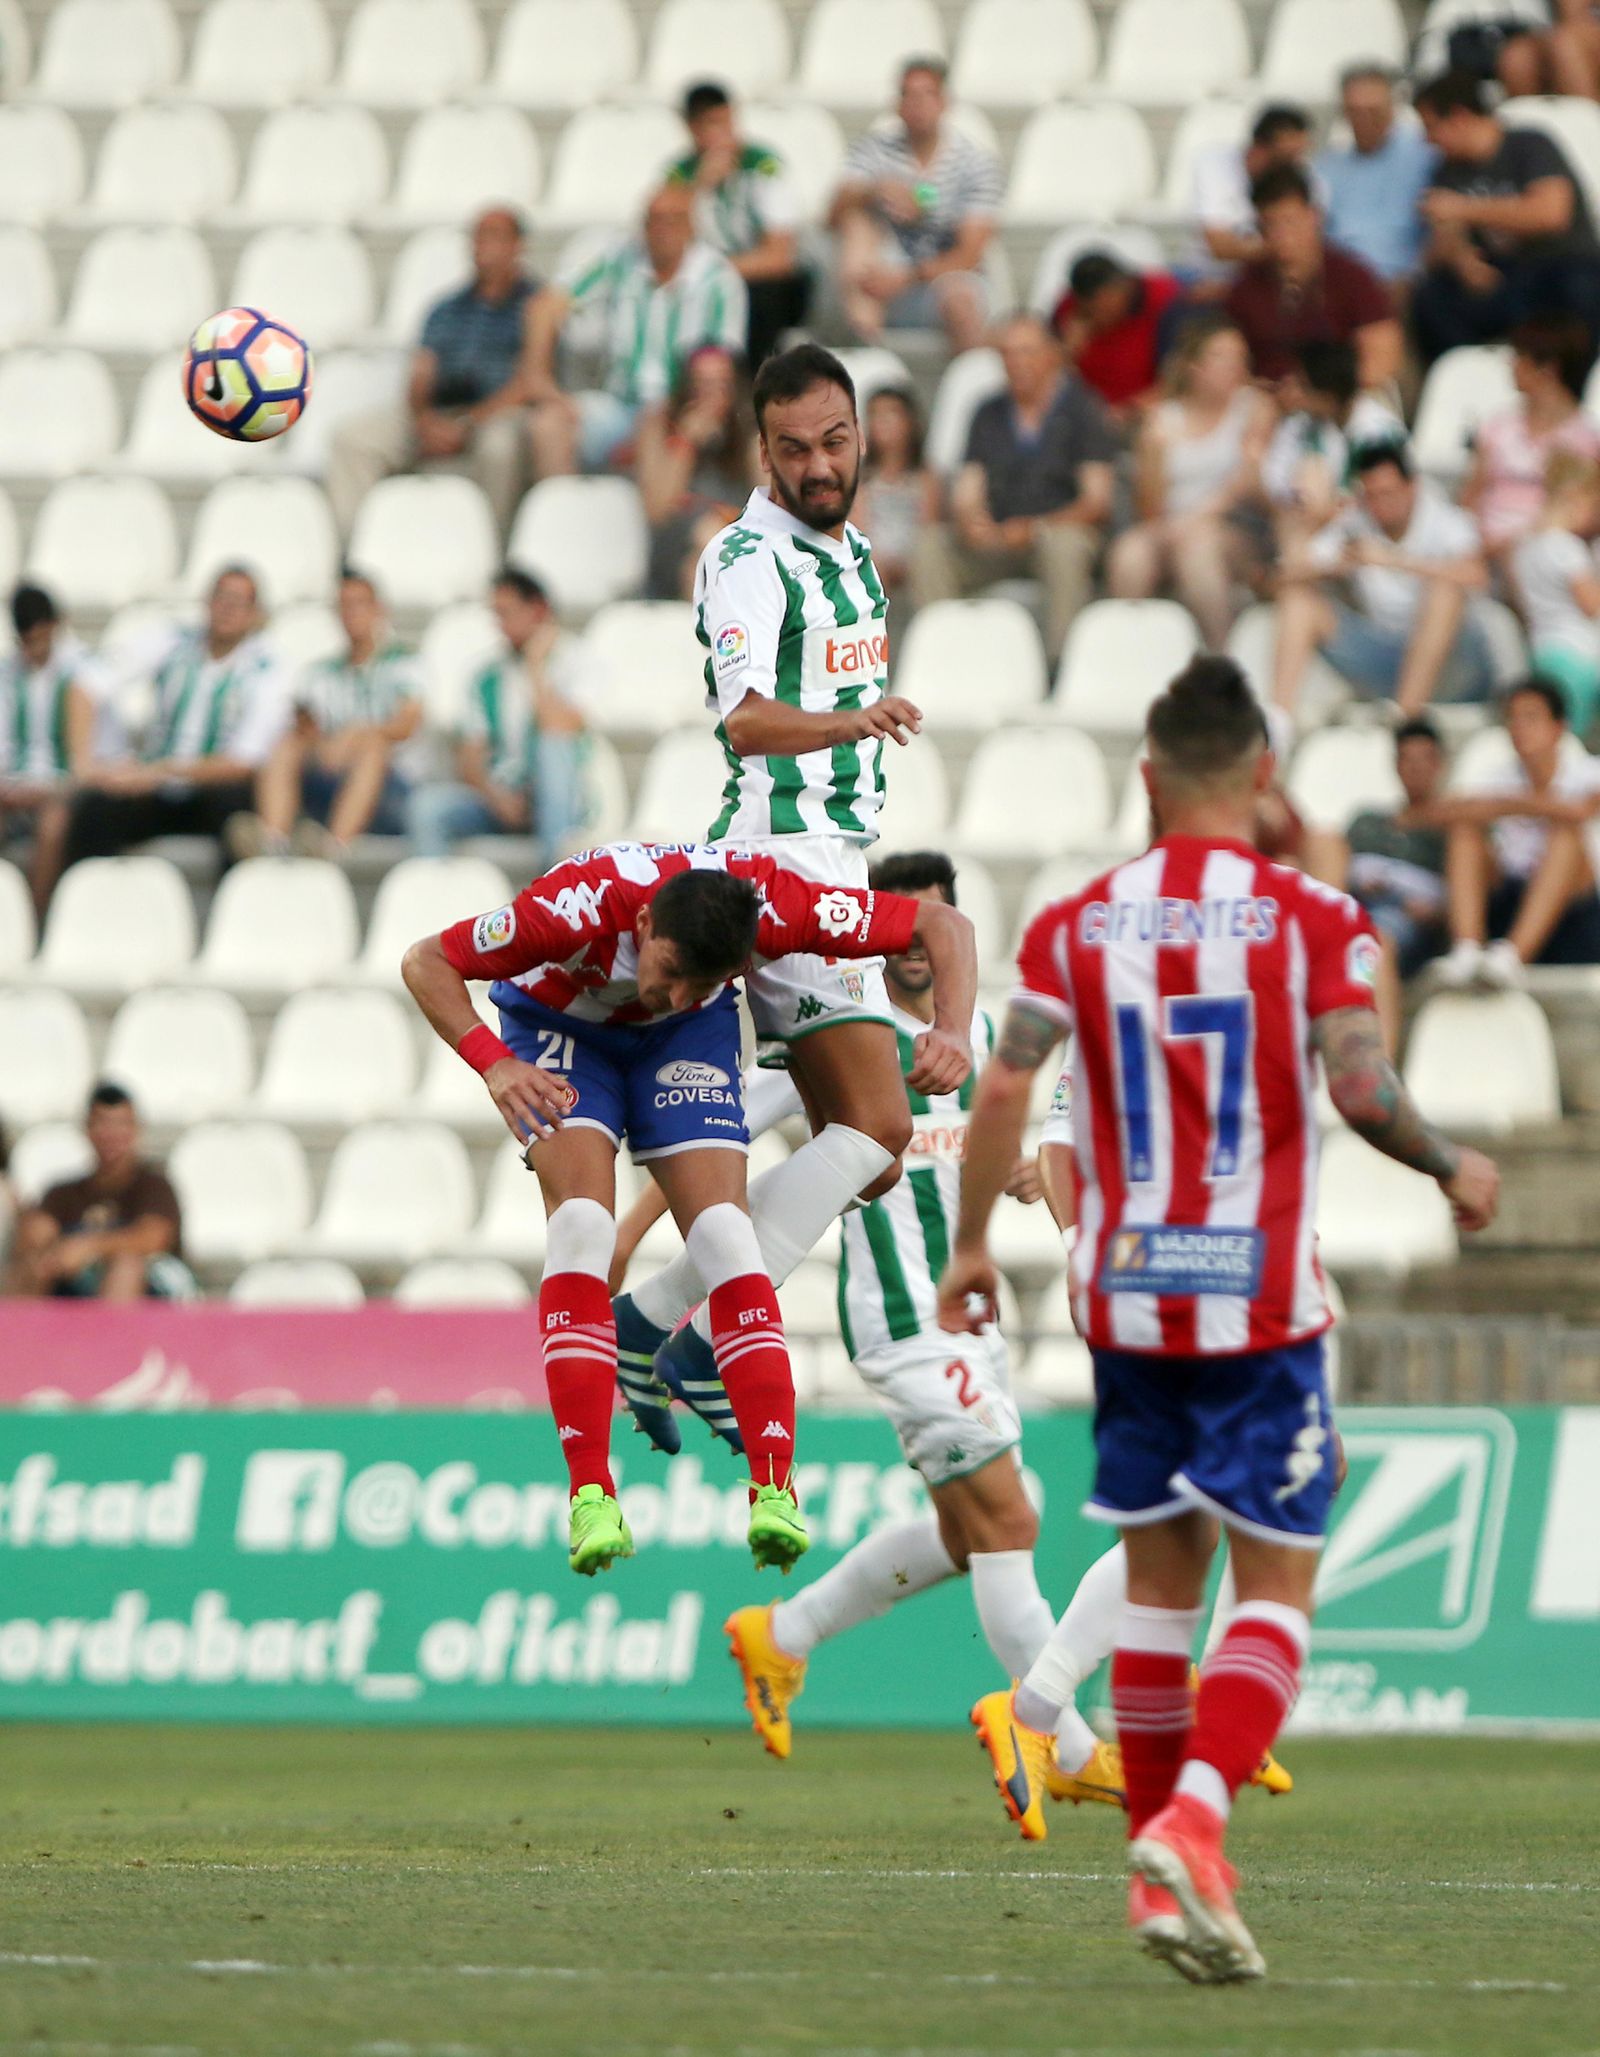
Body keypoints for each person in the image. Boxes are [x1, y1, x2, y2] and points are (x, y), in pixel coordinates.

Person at [939, 654, 1499, 1983]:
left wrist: (970, 1241)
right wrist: (1448, 1162)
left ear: (1144, 777)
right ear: (1263, 779)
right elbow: (1362, 1091)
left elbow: (1008, 1089)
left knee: (1156, 1590)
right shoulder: (1312, 915)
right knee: (1280, 1576)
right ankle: (1193, 1823)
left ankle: (1154, 1894)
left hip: (1125, 1298)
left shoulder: (1075, 922)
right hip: (1255, 1297)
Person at [601, 849, 1117, 1796]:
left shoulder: (989, 1039)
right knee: (1009, 1517)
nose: (918, 948)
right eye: (904, 921)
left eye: (936, 922)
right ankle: (1068, 1746)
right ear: (881, 931)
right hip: (899, 1317)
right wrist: (636, 1244)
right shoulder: (843, 1039)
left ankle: (783, 1633)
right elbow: (716, 1137)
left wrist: (1041, 1190)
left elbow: (1035, 1151)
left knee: (975, 1533)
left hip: (971, 1324)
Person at [400, 837, 975, 1577]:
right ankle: (590, 1493)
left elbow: (946, 928)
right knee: (582, 1224)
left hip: (681, 1045)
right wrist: (495, 1063)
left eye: (698, 980)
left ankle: (774, 1487)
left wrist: (953, 1027)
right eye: (668, 971)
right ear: (641, 926)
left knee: (728, 1237)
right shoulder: (571, 906)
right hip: (560, 1029)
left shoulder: (772, 908)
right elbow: (425, 960)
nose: (667, 990)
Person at [608, 344, 975, 1452]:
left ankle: (669, 1319)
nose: (819, 466)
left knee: (857, 1150)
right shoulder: (747, 558)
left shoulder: (856, 550)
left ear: (863, 434)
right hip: (782, 856)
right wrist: (846, 726)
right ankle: (679, 1327)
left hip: (833, 854)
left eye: (835, 442)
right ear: (760, 452)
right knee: (877, 1127)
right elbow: (746, 719)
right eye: (794, 450)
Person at [911, 314, 1117, 662]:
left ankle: (1060, 664)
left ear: (1052, 355)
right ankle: (942, 657)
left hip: (1056, 531)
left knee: (1065, 549)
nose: (1015, 363)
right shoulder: (987, 411)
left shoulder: (1083, 409)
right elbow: (968, 487)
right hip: (1000, 534)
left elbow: (1097, 501)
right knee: (931, 546)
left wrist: (1037, 527)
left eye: (1026, 352)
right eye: (1007, 353)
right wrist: (971, 519)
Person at [326, 207, 538, 539]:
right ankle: (354, 555)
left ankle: (492, 549)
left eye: (494, 236)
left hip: (498, 413)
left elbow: (530, 381)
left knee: (501, 446)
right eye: (477, 236)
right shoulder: (445, 308)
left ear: (518, 246)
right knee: (353, 439)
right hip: (438, 411)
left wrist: (470, 422)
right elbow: (421, 373)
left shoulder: (535, 306)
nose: (482, 246)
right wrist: (425, 421)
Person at [61, 566, 289, 872]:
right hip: (159, 787)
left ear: (254, 613)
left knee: (238, 822)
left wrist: (160, 771)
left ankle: (235, 910)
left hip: (211, 787)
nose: (227, 609)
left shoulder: (267, 668)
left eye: (238, 602)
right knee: (95, 811)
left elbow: (242, 762)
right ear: (206, 602)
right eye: (221, 597)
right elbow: (87, 682)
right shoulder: (172, 641)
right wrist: (86, 764)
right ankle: (86, 903)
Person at [525, 185, 747, 478]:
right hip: (620, 405)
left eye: (673, 220)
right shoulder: (621, 260)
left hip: (684, 407)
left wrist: (669, 424)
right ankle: (565, 516)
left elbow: (719, 369)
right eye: (653, 220)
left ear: (691, 227)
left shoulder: (718, 279)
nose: (662, 229)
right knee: (549, 424)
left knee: (658, 430)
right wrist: (539, 379)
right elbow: (545, 306)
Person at [1272, 442, 1493, 722]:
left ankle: (1404, 722)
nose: (1380, 505)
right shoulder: (1355, 522)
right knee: (1299, 600)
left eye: (1388, 493)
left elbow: (1478, 576)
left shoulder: (1448, 521)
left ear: (1411, 486)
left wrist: (1392, 560)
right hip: (1384, 654)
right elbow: (1283, 577)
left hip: (1455, 663)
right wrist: (1332, 561)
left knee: (1444, 592)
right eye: (1372, 496)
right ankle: (1278, 723)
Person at [1413, 69, 1600, 367]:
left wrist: (1465, 208)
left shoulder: (1528, 144)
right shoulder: (1446, 170)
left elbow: (1551, 214)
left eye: (1432, 127)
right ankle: (1470, 379)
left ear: (1459, 117)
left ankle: (1580, 379)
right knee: (1432, 299)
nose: (1429, 140)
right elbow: (1441, 231)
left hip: (1560, 264)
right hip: (1504, 277)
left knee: (1581, 288)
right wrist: (1461, 261)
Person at [1106, 317, 1274, 650]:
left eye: (1239, 357)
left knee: (1197, 548)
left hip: (1233, 527)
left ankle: (1219, 654)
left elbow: (1245, 483)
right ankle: (1132, 653)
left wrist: (1193, 520)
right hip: (1170, 524)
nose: (1234, 366)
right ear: (1195, 368)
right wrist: (1152, 457)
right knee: (1130, 554)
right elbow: (1149, 505)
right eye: (1221, 357)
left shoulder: (1254, 408)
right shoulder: (1161, 419)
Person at [230, 568, 420, 860]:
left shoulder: (406, 662)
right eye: (345, 605)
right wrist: (324, 744)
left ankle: (334, 848)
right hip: (333, 773)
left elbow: (406, 724)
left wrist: (358, 734)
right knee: (286, 743)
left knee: (373, 747)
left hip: (390, 786)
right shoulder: (319, 672)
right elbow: (308, 728)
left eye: (360, 604)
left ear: (378, 610)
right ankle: (272, 841)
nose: (351, 613)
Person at [407, 567, 592, 864]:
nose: (499, 625)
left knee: (552, 749)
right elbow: (469, 755)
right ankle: (435, 901)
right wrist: (498, 799)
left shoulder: (576, 661)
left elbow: (559, 728)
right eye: (496, 614)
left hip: (562, 801)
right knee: (427, 808)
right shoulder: (484, 676)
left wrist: (535, 666)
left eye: (507, 613)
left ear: (537, 610)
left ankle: (552, 891)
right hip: (500, 798)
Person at [1436, 674, 1600, 986]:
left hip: (1577, 917)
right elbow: (1449, 811)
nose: (1519, 727)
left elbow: (1580, 810)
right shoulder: (1495, 776)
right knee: (1465, 833)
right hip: (1513, 901)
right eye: (1513, 718)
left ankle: (1513, 956)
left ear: (1559, 727)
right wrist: (1535, 803)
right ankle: (1467, 948)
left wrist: (1508, 803)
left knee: (1566, 835)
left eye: (1531, 717)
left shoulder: (1589, 770)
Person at [830, 56, 1000, 355]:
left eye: (927, 94)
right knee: (857, 222)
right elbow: (832, 216)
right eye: (908, 95)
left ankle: (971, 383)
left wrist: (906, 278)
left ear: (945, 102)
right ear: (897, 104)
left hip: (938, 281)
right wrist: (875, 191)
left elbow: (971, 253)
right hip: (879, 277)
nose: (917, 104)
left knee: (960, 298)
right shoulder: (874, 151)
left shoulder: (975, 164)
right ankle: (865, 351)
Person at [3, 1083, 196, 1302]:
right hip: (77, 1288)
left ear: (136, 1130)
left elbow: (153, 1238)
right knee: (35, 1263)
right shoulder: (63, 1192)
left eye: (120, 1124)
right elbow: (36, 1233)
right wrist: (43, 1244)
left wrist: (88, 1248)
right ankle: (18, 1334)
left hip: (150, 1293)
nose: (111, 1135)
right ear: (88, 1129)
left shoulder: (155, 1186)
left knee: (126, 1266)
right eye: (103, 1124)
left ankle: (112, 1335)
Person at [668, 81, 808, 368]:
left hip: (757, 281)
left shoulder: (763, 165)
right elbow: (667, 244)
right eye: (712, 124)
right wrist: (699, 187)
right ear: (692, 128)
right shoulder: (679, 177)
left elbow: (780, 256)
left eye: (727, 121)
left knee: (757, 297)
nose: (726, 134)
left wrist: (716, 271)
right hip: (702, 280)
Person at [1225, 164, 1402, 392]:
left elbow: (1382, 355)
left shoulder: (1351, 277)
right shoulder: (1246, 286)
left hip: (1339, 400)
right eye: (1270, 224)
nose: (1282, 235)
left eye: (1290, 221)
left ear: (1313, 216)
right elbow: (1228, 360)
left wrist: (1321, 393)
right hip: (1266, 405)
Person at [1310, 716, 1453, 987]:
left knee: (1374, 942)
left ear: (1440, 765)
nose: (1416, 769)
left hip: (1409, 926)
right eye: (1407, 760)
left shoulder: (1452, 830)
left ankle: (1361, 1005)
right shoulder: (1366, 822)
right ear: (1396, 765)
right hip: (1359, 906)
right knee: (1321, 840)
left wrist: (1438, 912)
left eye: (1425, 760)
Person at [1461, 317, 1600, 562]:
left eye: (1519, 356)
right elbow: (1472, 495)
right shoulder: (1498, 427)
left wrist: (1521, 540)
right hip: (1486, 551)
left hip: (1545, 554)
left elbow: (1586, 516)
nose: (1510, 364)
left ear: (1548, 368)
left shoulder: (1585, 440)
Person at [0, 583, 96, 915]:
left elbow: (86, 762)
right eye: (28, 642)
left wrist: (49, 790)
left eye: (41, 639)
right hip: (16, 788)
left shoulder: (83, 676)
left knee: (53, 822)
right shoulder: (6, 677)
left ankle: (34, 918)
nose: (35, 650)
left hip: (63, 791)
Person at [636, 346, 757, 601]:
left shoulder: (749, 429)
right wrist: (686, 442)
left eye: (721, 384)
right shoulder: (660, 424)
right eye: (702, 384)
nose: (711, 394)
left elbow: (770, 499)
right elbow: (657, 510)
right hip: (676, 539)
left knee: (703, 559)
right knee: (705, 547)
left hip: (737, 536)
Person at [1259, 339, 1405, 550]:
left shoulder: (1379, 433)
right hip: (1304, 525)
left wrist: (1329, 511)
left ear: (1328, 396)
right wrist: (1297, 500)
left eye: (1303, 386)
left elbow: (1383, 499)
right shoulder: (1301, 423)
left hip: (1366, 536)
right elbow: (1273, 475)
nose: (1294, 391)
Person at [1315, 65, 1438, 286]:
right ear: (1344, 112)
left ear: (1392, 108)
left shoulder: (1425, 153)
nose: (1364, 120)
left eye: (1374, 110)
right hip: (1341, 284)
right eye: (1355, 111)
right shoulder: (1326, 167)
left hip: (1406, 280)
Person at [1512, 450, 1600, 730]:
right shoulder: (1566, 548)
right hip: (1577, 657)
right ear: (1574, 499)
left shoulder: (1526, 545)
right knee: (1570, 736)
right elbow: (1592, 606)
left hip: (1542, 651)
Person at [1182, 103, 1319, 279]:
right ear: (1259, 150)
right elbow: (1219, 246)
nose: (1295, 165)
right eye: (1287, 157)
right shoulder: (1214, 164)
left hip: (1270, 281)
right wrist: (1285, 246)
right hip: (1206, 275)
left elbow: (1310, 248)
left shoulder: (1308, 177)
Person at [1052, 250, 1187, 421]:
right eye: (1094, 308)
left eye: (1109, 300)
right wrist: (1066, 353)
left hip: (1149, 415)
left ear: (1124, 287)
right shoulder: (1068, 311)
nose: (1102, 312)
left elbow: (1182, 375)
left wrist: (1130, 411)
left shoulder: (1163, 297)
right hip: (1085, 420)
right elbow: (1047, 384)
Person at [853, 386, 938, 617]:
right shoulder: (860, 480)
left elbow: (928, 529)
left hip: (915, 557)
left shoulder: (925, 477)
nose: (883, 422)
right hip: (877, 558)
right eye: (876, 415)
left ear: (911, 422)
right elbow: (859, 530)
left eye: (892, 414)